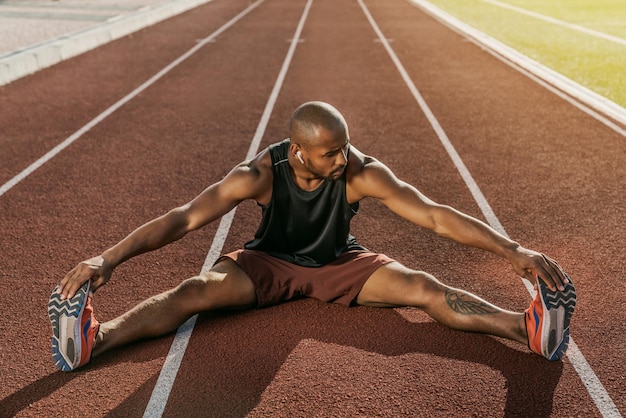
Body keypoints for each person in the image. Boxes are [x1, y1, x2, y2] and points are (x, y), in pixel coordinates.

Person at [48, 101, 576, 372]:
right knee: (193, 292)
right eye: (331, 152)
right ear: (298, 151)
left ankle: (526, 327)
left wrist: (511, 250)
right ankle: (98, 338)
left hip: (338, 263)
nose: (343, 159)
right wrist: (109, 258)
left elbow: (435, 216)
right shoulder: (257, 174)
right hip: (267, 264)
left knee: (424, 286)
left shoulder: (360, 171)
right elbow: (185, 218)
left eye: (345, 148)